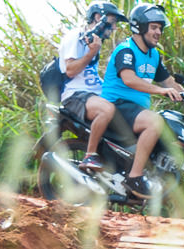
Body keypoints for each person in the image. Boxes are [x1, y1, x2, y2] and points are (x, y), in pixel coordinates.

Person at [100, 3, 184, 199]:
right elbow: (129, 79)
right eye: (154, 27)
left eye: (160, 28)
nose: (159, 33)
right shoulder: (126, 50)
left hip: (134, 111)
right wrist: (162, 91)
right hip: (116, 107)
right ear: (139, 27)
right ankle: (134, 177)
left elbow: (168, 81)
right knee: (154, 121)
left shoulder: (153, 55)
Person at [58, 2, 127, 173]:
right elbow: (70, 70)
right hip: (75, 96)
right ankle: (90, 155)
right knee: (106, 110)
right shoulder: (76, 36)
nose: (115, 27)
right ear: (98, 17)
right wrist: (91, 52)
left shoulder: (94, 40)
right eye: (112, 21)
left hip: (93, 95)